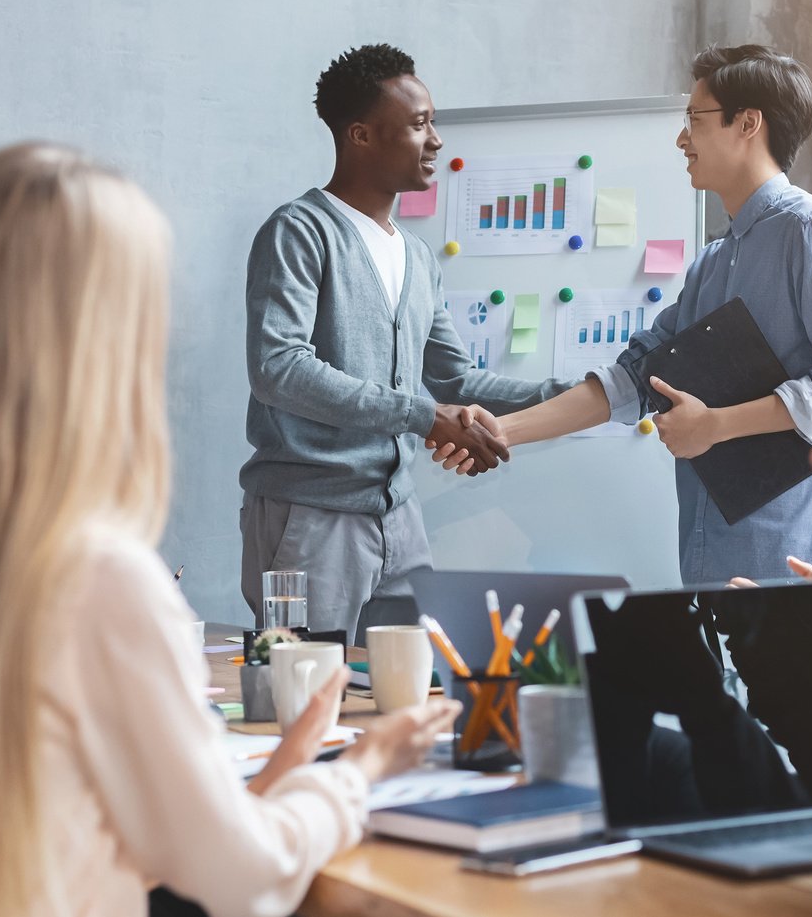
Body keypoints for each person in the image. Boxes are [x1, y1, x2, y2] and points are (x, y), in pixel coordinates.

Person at [0, 144, 460, 917]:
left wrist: (275, 775)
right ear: (105, 339)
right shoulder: (94, 575)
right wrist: (363, 768)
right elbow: (244, 880)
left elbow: (75, 813)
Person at [439, 44, 812, 585]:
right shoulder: (714, 262)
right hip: (714, 553)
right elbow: (635, 379)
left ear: (748, 124)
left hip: (801, 554)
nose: (681, 140)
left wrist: (715, 426)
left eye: (694, 121)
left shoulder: (811, 230)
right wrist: (502, 431)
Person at [241, 43, 571, 640]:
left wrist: (585, 392)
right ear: (361, 135)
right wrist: (425, 416)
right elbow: (278, 367)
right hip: (311, 518)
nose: (437, 140)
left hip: (400, 518)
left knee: (412, 694)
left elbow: (457, 383)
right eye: (420, 124)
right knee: (310, 697)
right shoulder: (299, 231)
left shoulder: (417, 258)